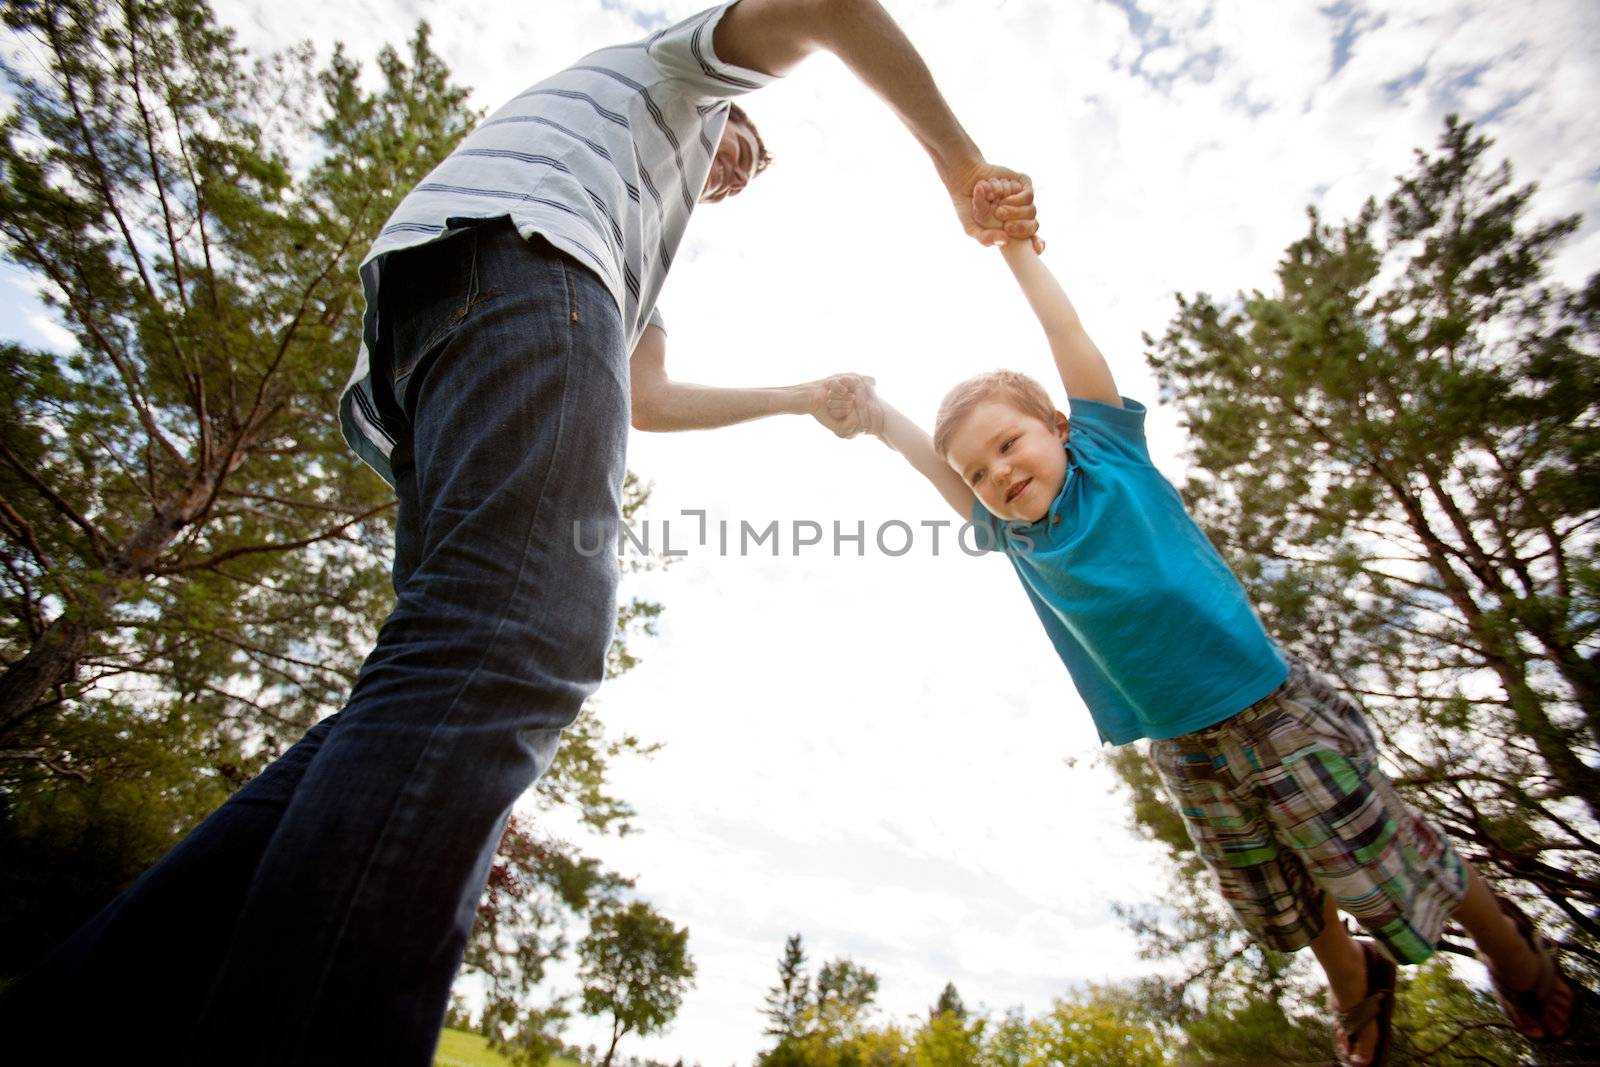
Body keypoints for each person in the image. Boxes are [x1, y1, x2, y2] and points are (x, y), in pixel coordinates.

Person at [0, 4, 1038, 1064]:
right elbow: (823, 10)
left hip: (457, 312)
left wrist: (794, 395)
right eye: (744, 148)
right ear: (728, 108)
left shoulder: (637, 231)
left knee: (438, 674)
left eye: (752, 173)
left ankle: (69, 1023)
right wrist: (960, 164)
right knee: (513, 642)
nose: (739, 169)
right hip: (523, 272)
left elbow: (646, 392)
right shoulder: (674, 77)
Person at [823, 179, 1578, 1067]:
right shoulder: (1015, 538)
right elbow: (932, 465)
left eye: (1009, 445)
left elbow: (1069, 342)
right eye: (980, 473)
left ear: (1060, 428)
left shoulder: (1110, 455)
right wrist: (877, 418)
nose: (998, 473)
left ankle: (1504, 943)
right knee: (1277, 899)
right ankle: (1354, 981)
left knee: (1377, 847)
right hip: (1183, 747)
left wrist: (1015, 250)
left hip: (1272, 705)